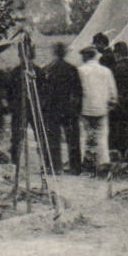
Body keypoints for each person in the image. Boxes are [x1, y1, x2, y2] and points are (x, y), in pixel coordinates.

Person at [39, 41, 83, 173]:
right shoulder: (72, 69)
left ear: (54, 53)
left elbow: (44, 91)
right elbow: (78, 91)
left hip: (53, 109)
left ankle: (54, 167)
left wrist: (44, 107)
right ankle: (75, 167)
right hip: (69, 109)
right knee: (73, 138)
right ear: (64, 53)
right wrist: (77, 108)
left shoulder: (48, 69)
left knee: (53, 138)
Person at [77, 46, 117, 172]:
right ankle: (103, 163)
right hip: (101, 109)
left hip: (85, 109)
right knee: (102, 136)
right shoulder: (106, 71)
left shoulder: (80, 71)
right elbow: (113, 93)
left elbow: (76, 91)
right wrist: (110, 104)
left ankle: (79, 162)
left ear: (85, 56)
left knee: (82, 136)